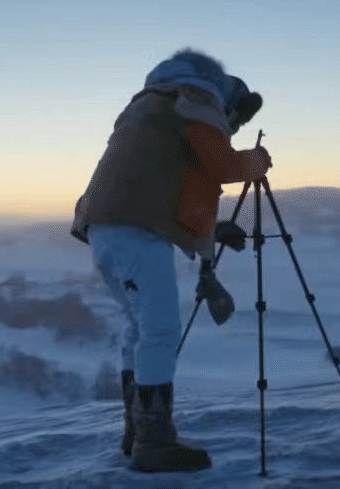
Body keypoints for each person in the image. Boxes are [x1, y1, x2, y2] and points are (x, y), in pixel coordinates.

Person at [70, 48, 270, 472]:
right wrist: (254, 162)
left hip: (104, 229)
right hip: (135, 233)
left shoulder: (148, 107)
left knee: (139, 329)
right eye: (232, 119)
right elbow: (219, 165)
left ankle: (137, 433)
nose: (230, 126)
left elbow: (159, 184)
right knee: (161, 332)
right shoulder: (193, 98)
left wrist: (210, 231)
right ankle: (155, 445)